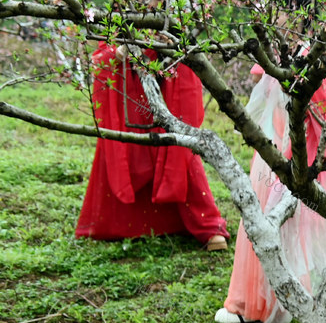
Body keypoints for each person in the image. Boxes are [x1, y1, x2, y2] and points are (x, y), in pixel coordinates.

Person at [213, 58, 326, 323]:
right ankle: (272, 298)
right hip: (276, 146)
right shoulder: (287, 50)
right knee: (268, 219)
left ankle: (257, 303)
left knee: (268, 218)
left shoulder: (304, 55)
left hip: (284, 153)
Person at [76, 42, 229, 249]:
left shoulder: (171, 19)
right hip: (128, 95)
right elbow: (100, 58)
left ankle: (207, 225)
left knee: (178, 151)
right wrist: (117, 54)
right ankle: (121, 225)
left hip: (167, 92)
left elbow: (189, 56)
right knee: (125, 147)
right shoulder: (120, 15)